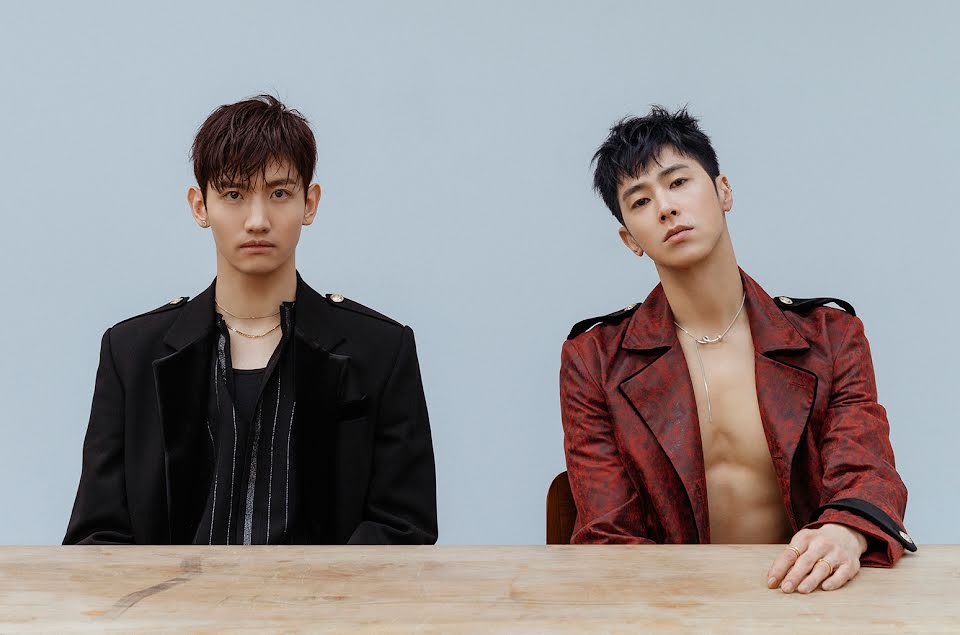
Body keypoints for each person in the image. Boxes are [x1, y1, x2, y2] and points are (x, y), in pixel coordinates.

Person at [559, 106, 914, 593]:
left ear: (723, 191)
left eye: (678, 182)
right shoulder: (595, 359)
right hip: (667, 606)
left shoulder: (830, 336)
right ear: (630, 239)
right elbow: (609, 532)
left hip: (810, 599)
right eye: (640, 201)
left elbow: (867, 470)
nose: (665, 207)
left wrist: (845, 532)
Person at [64, 95, 437, 545]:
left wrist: (315, 589)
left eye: (279, 193)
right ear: (200, 206)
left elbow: (403, 528)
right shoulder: (130, 353)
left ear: (310, 203)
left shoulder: (380, 350)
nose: (257, 220)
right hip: (172, 593)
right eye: (234, 195)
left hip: (328, 593)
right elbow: (97, 535)